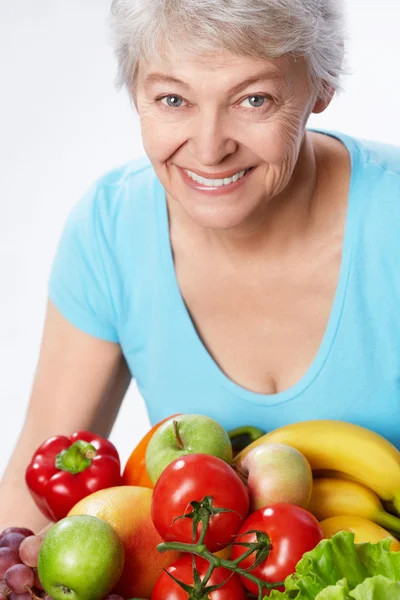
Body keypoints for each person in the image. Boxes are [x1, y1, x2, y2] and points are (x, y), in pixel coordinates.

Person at [1, 0, 400, 532]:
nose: (210, 149)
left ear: (321, 85)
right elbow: (34, 497)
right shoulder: (111, 228)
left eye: (253, 99)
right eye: (173, 99)